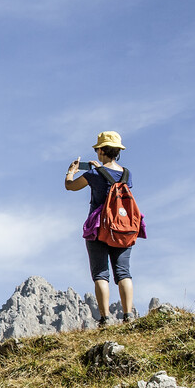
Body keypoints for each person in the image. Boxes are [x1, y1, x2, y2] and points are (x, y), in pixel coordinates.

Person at [64, 131, 135, 326]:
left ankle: (105, 319)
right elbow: (113, 181)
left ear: (102, 150)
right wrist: (100, 169)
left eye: (97, 149)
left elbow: (70, 186)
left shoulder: (93, 173)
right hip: (122, 227)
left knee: (101, 274)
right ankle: (128, 315)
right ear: (117, 151)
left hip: (99, 228)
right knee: (123, 272)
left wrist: (72, 171)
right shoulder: (127, 174)